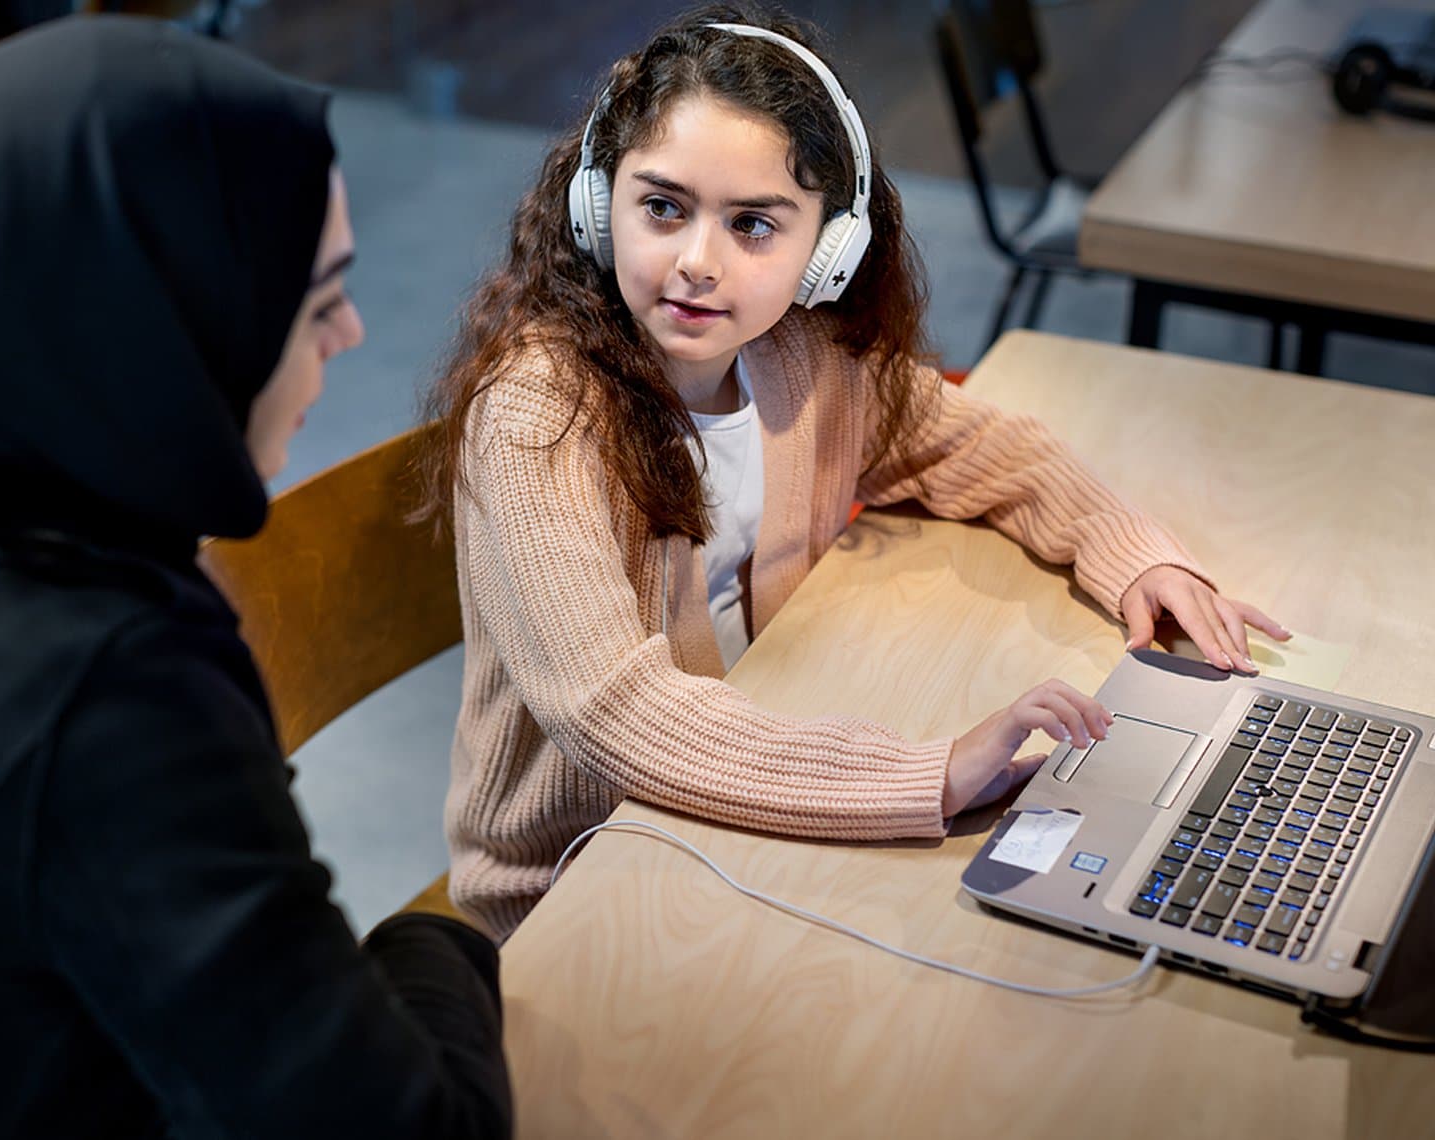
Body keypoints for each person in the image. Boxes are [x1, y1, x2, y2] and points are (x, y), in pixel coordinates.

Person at [418, 2, 1288, 942]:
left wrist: (1135, 556)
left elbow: (978, 445)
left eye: (755, 225)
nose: (699, 263)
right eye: (663, 208)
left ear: (827, 251)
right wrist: (932, 773)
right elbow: (616, 718)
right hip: (583, 879)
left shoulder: (795, 355)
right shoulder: (540, 417)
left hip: (758, 777)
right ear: (600, 207)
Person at [0, 17, 511, 1138]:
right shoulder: (113, 690)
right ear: (173, 326)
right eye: (314, 297)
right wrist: (441, 943)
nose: (353, 333)